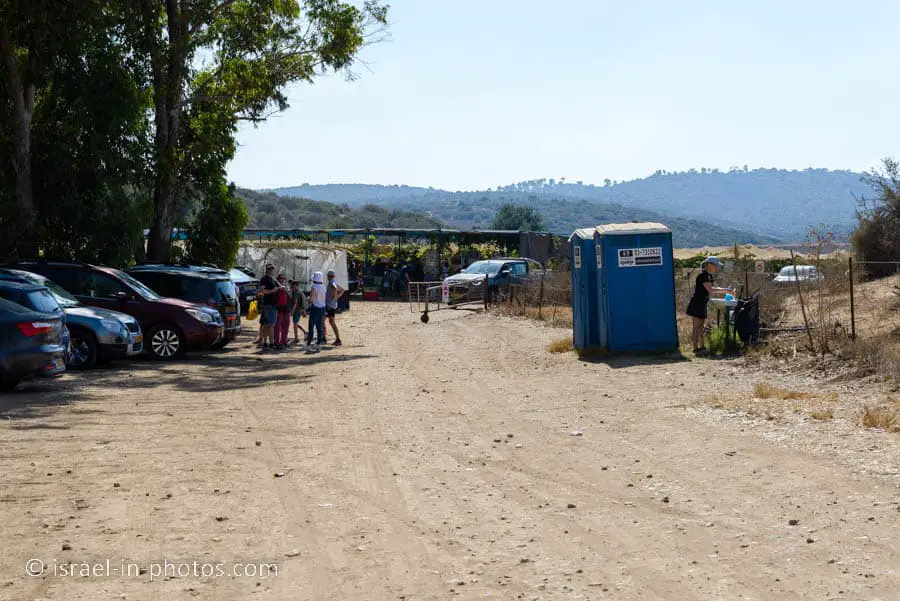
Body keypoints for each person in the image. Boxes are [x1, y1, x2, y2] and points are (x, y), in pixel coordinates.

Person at [686, 256, 732, 355]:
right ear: (710, 265)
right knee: (696, 327)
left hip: (702, 303)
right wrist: (726, 290)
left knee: (700, 327)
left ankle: (702, 347)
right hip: (697, 303)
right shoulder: (703, 276)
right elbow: (711, 290)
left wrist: (726, 289)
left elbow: (715, 287)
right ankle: (695, 348)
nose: (716, 268)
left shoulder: (709, 276)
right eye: (715, 265)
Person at [258, 264, 278, 349]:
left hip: (273, 304)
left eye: (272, 268)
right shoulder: (264, 279)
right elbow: (262, 291)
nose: (272, 270)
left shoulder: (273, 279)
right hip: (268, 304)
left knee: (267, 324)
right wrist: (272, 291)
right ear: (267, 270)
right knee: (271, 325)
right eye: (270, 269)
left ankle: (266, 343)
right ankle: (271, 343)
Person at [306, 271, 327, 351]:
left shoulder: (314, 286)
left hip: (315, 308)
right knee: (319, 327)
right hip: (322, 308)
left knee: (311, 326)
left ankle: (308, 344)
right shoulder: (323, 287)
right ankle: (318, 344)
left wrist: (308, 299)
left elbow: (311, 299)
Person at [323, 269, 345, 346]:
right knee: (331, 322)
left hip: (329, 306)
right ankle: (337, 339)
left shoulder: (332, 282)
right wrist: (336, 297)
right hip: (332, 305)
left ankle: (323, 337)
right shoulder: (334, 282)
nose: (329, 277)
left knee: (323, 320)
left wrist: (335, 296)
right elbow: (342, 290)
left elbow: (335, 288)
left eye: (330, 276)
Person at [273, 273, 291, 349]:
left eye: (284, 278)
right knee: (277, 326)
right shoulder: (276, 287)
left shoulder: (286, 287)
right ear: (278, 279)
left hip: (286, 308)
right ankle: (277, 342)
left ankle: (283, 341)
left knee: (286, 326)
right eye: (281, 278)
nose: (283, 279)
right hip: (278, 308)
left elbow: (290, 297)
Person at [290, 279, 308, 343]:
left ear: (297, 286)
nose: (293, 287)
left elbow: (295, 303)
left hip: (296, 311)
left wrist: (292, 311)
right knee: (295, 324)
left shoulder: (296, 293)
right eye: (292, 286)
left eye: (294, 286)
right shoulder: (299, 292)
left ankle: (296, 338)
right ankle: (305, 332)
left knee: (295, 324)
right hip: (298, 311)